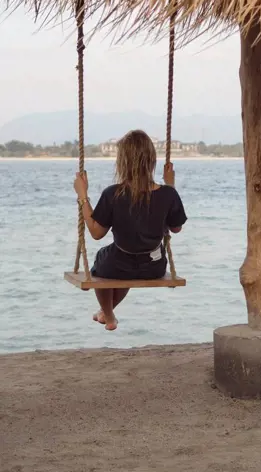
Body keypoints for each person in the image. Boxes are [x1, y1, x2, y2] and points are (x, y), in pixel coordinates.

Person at [73, 130, 187, 331]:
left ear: (122, 162)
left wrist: (83, 196)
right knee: (123, 260)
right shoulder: (168, 194)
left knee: (105, 258)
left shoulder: (113, 193)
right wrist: (170, 185)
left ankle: (108, 315)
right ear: (152, 160)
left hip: (118, 265)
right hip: (154, 267)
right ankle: (106, 314)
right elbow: (175, 228)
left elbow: (96, 233)